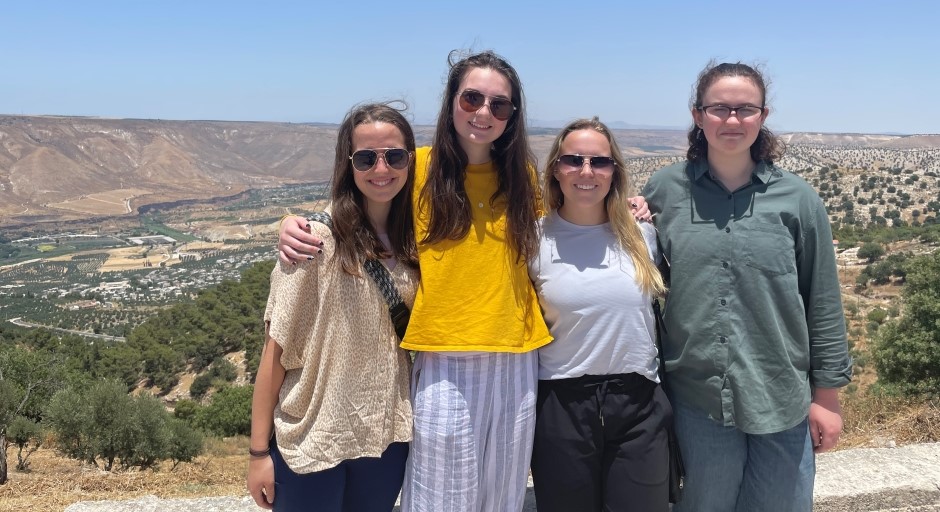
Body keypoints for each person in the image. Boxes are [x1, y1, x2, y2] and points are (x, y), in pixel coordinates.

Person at [641, 61, 852, 512]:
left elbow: (823, 301)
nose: (732, 120)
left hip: (780, 397)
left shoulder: (798, 199)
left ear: (763, 115)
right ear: (698, 116)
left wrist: (827, 399)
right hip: (696, 399)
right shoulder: (663, 190)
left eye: (744, 109)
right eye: (719, 108)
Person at [247, 102, 419, 512]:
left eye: (394, 156)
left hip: (385, 438)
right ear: (349, 164)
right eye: (366, 158)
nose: (382, 168)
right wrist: (257, 455)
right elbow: (275, 354)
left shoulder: (417, 238)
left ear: (410, 160)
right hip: (312, 437)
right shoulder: (314, 243)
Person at [528, 118, 671, 512]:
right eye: (573, 160)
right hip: (562, 404)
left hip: (639, 402)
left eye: (600, 162)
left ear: (615, 171)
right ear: (556, 168)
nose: (586, 172)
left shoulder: (642, 235)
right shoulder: (532, 239)